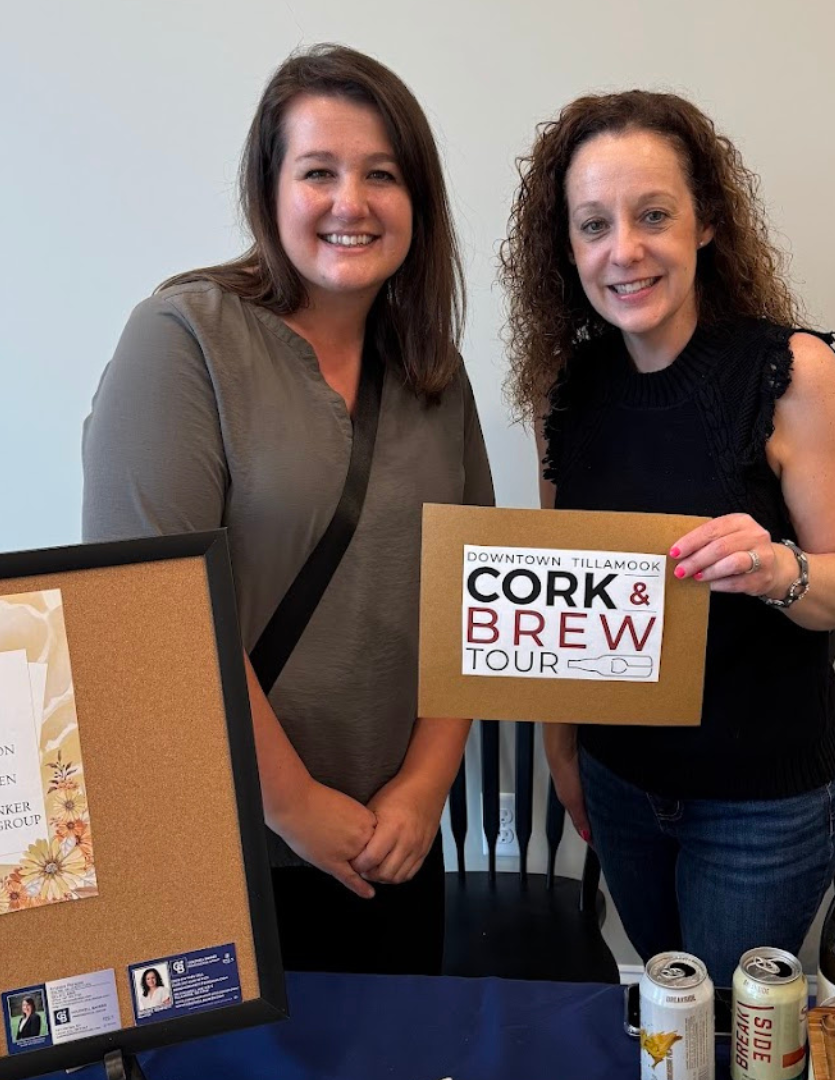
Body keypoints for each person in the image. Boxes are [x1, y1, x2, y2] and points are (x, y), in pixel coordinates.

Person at [83, 44, 493, 975]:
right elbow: (145, 611)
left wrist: (424, 791)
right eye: (319, 172)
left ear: (417, 204)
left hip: (390, 850)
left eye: (382, 175)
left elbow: (478, 607)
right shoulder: (184, 339)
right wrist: (297, 805)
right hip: (211, 851)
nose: (351, 202)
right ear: (268, 193)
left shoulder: (434, 374)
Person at [501, 90, 835, 985]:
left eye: (653, 216)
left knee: (732, 1038)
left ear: (706, 222)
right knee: (674, 1020)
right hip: (619, 785)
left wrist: (777, 568)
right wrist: (565, 754)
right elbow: (562, 590)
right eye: (593, 224)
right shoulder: (568, 389)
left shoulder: (790, 372)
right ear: (567, 246)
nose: (623, 250)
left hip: (759, 806)